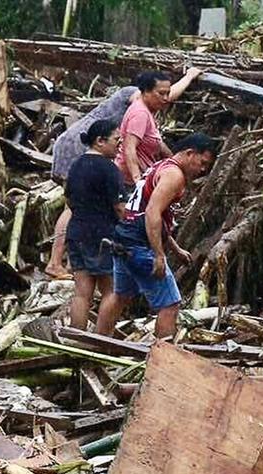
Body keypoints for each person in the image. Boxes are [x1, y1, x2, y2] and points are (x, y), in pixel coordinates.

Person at [100, 133, 218, 341]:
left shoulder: (161, 166)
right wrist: (158, 254)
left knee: (121, 296)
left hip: (122, 238)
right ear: (190, 153)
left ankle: (96, 343)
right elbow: (152, 213)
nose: (202, 170)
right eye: (202, 163)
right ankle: (163, 355)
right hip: (138, 244)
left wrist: (175, 248)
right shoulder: (174, 175)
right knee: (170, 304)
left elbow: (154, 215)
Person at [42, 83, 138, 277]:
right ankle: (55, 262)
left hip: (76, 142)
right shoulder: (132, 93)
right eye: (161, 92)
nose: (165, 97)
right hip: (76, 146)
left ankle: (71, 263)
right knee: (71, 208)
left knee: (76, 207)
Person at [63, 119, 125, 330]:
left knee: (82, 293)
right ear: (100, 141)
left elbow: (69, 201)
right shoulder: (109, 169)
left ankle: (74, 340)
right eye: (117, 140)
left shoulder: (76, 165)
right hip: (103, 236)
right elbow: (120, 207)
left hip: (76, 231)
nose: (120, 144)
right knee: (112, 290)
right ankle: (101, 340)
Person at [117, 68, 203, 185]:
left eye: (167, 93)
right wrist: (138, 180)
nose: (166, 98)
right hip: (128, 181)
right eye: (161, 94)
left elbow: (158, 142)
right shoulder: (140, 113)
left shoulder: (148, 111)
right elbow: (129, 147)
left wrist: (174, 161)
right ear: (146, 92)